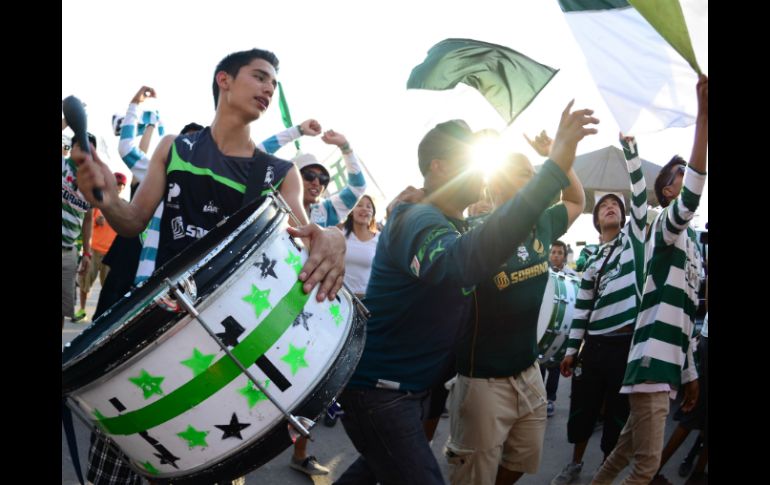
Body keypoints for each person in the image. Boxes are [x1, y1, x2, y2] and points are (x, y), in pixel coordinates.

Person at [74, 47, 346, 485]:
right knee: (114, 471)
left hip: (226, 359)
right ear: (224, 80)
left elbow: (306, 233)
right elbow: (131, 222)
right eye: (259, 77)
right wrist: (102, 196)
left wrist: (332, 238)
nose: (268, 89)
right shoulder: (175, 147)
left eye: (273, 85)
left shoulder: (280, 172)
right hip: (153, 339)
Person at [335, 101, 598, 485]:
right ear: (439, 166)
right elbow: (458, 265)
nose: (480, 172)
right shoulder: (419, 218)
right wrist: (552, 168)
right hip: (380, 394)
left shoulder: (437, 217)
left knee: (372, 472)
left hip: (405, 392)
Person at [448, 129, 585, 485]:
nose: (540, 176)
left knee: (523, 457)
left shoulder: (543, 222)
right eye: (529, 171)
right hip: (482, 381)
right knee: (471, 476)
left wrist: (556, 152)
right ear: (500, 184)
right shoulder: (478, 230)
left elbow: (576, 199)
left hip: (528, 372)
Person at [590, 74, 708, 485]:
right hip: (649, 367)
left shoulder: (695, 247)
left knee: (621, 457)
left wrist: (690, 373)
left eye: (683, 172)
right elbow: (688, 192)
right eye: (676, 175)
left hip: (670, 369)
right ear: (668, 192)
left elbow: (686, 318)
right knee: (645, 467)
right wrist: (703, 120)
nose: (683, 177)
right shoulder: (663, 228)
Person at [551, 133, 648, 485]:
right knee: (582, 410)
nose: (611, 207)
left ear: (625, 217)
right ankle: (575, 464)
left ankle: (605, 471)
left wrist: (631, 153)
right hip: (593, 347)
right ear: (596, 221)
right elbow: (582, 308)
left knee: (617, 417)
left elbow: (639, 198)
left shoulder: (633, 240)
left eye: (616, 206)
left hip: (625, 348)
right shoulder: (592, 258)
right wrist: (571, 349)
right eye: (604, 206)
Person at [72, 172, 127, 322]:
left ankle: (103, 315)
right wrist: (97, 221)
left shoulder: (124, 205)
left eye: (121, 185)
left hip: (111, 253)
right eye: (116, 184)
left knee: (108, 287)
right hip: (94, 249)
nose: (118, 187)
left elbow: (126, 227)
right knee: (85, 282)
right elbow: (87, 219)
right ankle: (82, 310)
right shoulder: (98, 201)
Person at [293, 128, 367, 227]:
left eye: (323, 179)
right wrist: (298, 130)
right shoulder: (275, 201)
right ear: (294, 177)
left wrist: (345, 147)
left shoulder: (326, 209)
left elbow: (358, 187)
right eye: (310, 175)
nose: (316, 183)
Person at [62, 125, 94, 329]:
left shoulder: (92, 183)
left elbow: (89, 218)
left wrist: (87, 254)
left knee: (63, 309)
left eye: (89, 149)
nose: (84, 152)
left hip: (69, 252)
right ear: (71, 148)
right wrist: (67, 119)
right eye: (80, 146)